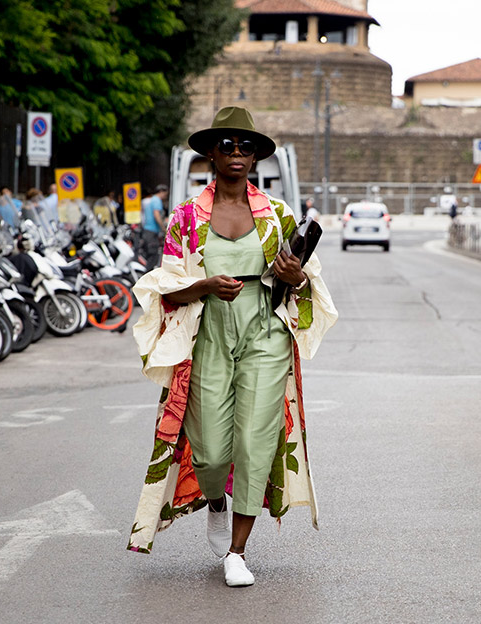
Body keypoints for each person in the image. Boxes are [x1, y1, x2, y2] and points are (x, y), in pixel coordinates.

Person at [126, 107, 339, 587]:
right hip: (208, 339)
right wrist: (203, 287)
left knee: (255, 441)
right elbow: (164, 291)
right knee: (211, 453)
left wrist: (295, 275)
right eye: (228, 146)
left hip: (265, 336)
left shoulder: (277, 215)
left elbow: (307, 281)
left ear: (257, 156)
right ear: (210, 154)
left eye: (246, 147)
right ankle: (216, 500)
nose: (237, 154)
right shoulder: (186, 218)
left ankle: (238, 553)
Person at [140, 184, 168, 268]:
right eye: (165, 194)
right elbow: (156, 215)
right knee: (153, 255)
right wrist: (163, 228)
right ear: (161, 192)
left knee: (150, 255)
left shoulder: (151, 200)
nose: (165, 197)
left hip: (147, 230)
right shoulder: (157, 201)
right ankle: (148, 276)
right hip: (152, 231)